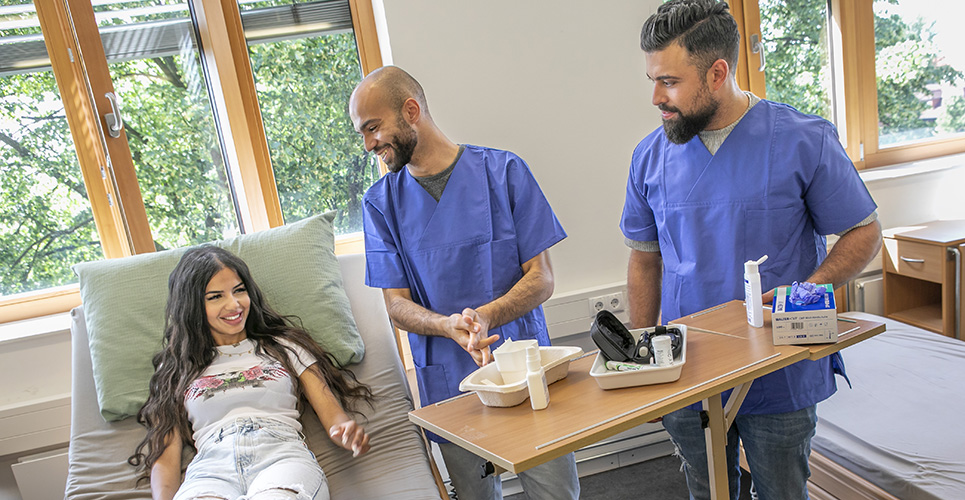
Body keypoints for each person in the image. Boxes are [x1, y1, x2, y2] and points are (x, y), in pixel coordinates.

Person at [622, 1, 883, 499]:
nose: (656, 96)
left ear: (717, 72)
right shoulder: (649, 157)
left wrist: (809, 289)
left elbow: (862, 232)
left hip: (778, 366)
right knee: (709, 491)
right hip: (687, 367)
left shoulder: (803, 140)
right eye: (653, 80)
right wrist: (642, 352)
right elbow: (644, 256)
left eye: (670, 81)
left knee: (783, 492)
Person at [349, 66, 580, 500]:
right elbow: (395, 304)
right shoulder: (381, 205)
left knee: (556, 492)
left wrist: (487, 315)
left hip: (522, 363)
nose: (368, 145)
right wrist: (446, 326)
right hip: (449, 380)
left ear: (411, 111)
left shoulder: (504, 172)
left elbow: (542, 278)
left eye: (373, 128)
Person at [129, 245, 373, 500]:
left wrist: (345, 432)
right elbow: (166, 455)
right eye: (215, 297)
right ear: (192, 306)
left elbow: (334, 416)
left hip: (281, 459)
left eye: (239, 290)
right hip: (210, 471)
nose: (233, 304)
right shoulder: (177, 366)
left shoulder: (285, 347)